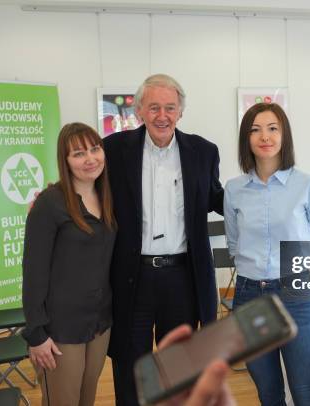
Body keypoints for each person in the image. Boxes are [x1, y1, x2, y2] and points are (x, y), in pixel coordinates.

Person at [103, 74, 224, 405]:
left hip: (182, 279)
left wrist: (261, 195)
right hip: (132, 278)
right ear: (140, 110)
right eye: (154, 107)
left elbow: (219, 198)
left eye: (170, 107)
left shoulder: (203, 152)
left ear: (180, 112)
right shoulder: (113, 150)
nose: (162, 115)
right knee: (130, 369)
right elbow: (92, 196)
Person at [224, 103, 310, 405]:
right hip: (249, 297)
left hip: (296, 293)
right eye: (255, 129)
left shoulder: (307, 185)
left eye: (273, 128)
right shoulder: (233, 189)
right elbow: (235, 245)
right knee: (269, 394)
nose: (265, 136)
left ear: (284, 135)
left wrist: (305, 286)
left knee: (305, 392)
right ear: (246, 139)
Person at [22, 123, 116, 406]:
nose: (90, 159)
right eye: (78, 153)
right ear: (65, 161)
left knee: (86, 397)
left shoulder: (109, 196)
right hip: (61, 327)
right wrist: (36, 334)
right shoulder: (49, 204)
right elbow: (33, 273)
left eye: (94, 149)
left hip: (100, 322)